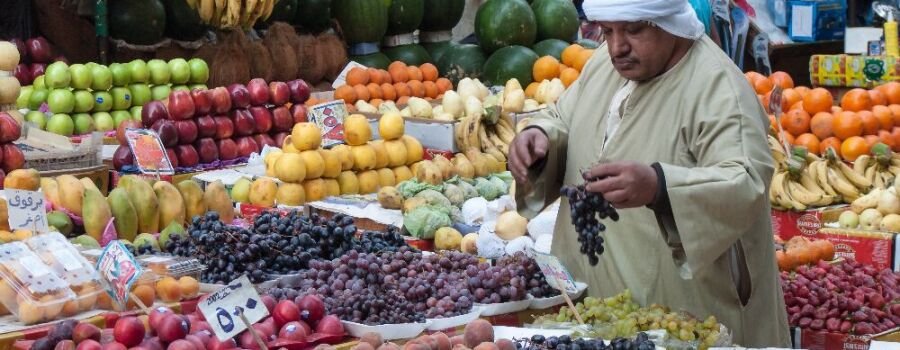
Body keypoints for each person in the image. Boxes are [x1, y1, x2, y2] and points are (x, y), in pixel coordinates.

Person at [508, 0, 790, 347]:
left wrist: (660, 186)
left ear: (667, 21)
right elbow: (563, 117)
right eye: (607, 31)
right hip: (595, 310)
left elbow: (746, 181)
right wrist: (538, 137)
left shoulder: (719, 89)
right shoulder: (604, 65)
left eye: (634, 30)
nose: (617, 46)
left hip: (685, 316)